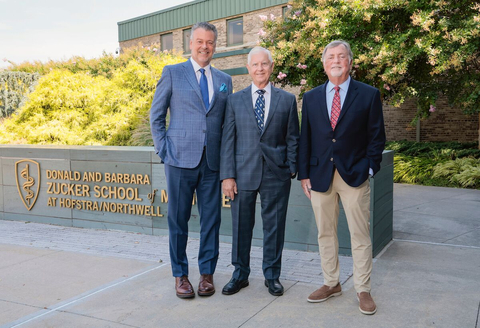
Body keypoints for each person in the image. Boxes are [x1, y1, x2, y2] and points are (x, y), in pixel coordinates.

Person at [298, 40, 385, 314]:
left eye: (341, 56)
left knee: (360, 235)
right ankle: (331, 282)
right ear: (324, 64)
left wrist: (370, 168)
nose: (335, 61)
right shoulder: (311, 97)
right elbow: (306, 139)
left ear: (349, 62)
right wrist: (304, 175)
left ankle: (363, 289)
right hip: (319, 175)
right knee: (326, 233)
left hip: (355, 175)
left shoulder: (369, 94)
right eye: (330, 57)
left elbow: (376, 136)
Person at [150, 22, 233, 299]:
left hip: (212, 162)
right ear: (190, 43)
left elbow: (226, 124)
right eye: (199, 41)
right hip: (179, 160)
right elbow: (156, 116)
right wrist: (164, 150)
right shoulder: (173, 73)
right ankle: (180, 275)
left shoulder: (224, 79)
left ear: (215, 46)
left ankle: (207, 274)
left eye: (209, 42)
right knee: (178, 220)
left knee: (211, 220)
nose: (204, 47)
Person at [220, 46, 300, 297]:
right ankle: (240, 274)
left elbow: (293, 138)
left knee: (274, 226)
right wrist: (227, 176)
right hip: (242, 173)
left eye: (264, 64)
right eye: (255, 65)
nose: (260, 69)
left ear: (271, 67)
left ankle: (272, 275)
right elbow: (228, 140)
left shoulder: (286, 100)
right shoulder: (234, 101)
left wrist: (291, 168)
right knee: (241, 226)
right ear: (248, 69)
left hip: (276, 174)